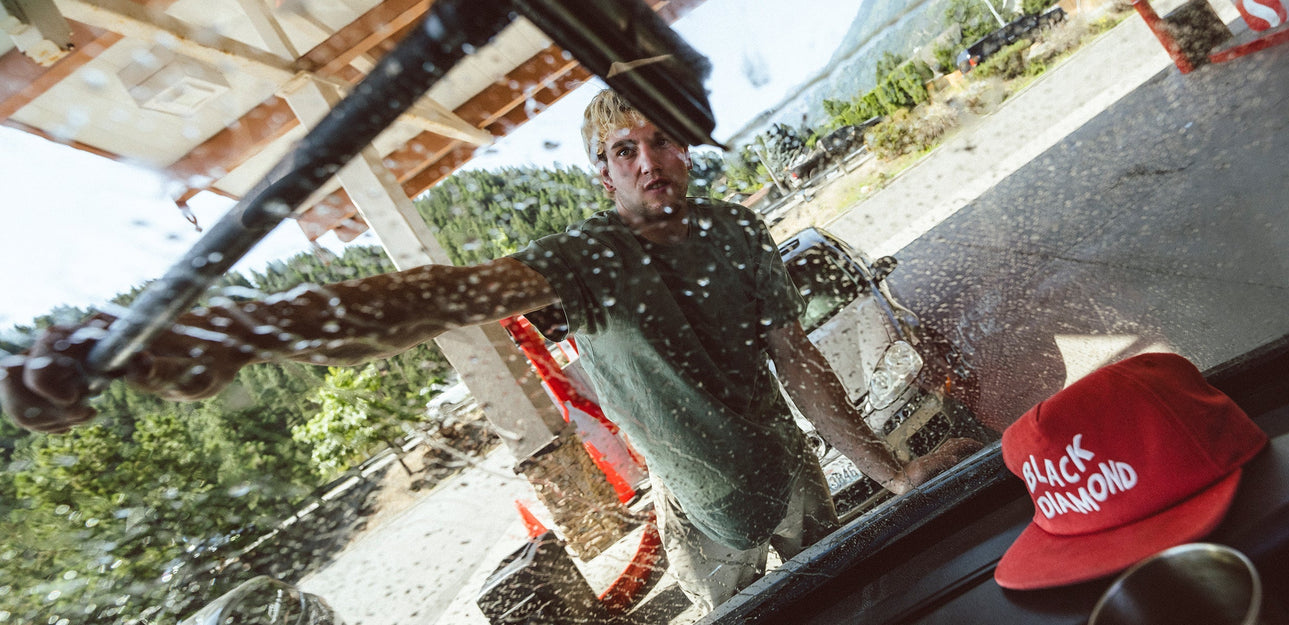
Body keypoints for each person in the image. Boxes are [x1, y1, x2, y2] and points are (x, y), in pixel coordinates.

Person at [1, 89, 980, 610]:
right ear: (602, 176)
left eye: (662, 141)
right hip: (700, 520)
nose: (649, 163)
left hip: (800, 482)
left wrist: (892, 478)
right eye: (623, 151)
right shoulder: (585, 258)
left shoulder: (734, 232)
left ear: (686, 147)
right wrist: (244, 327)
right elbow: (441, 295)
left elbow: (802, 368)